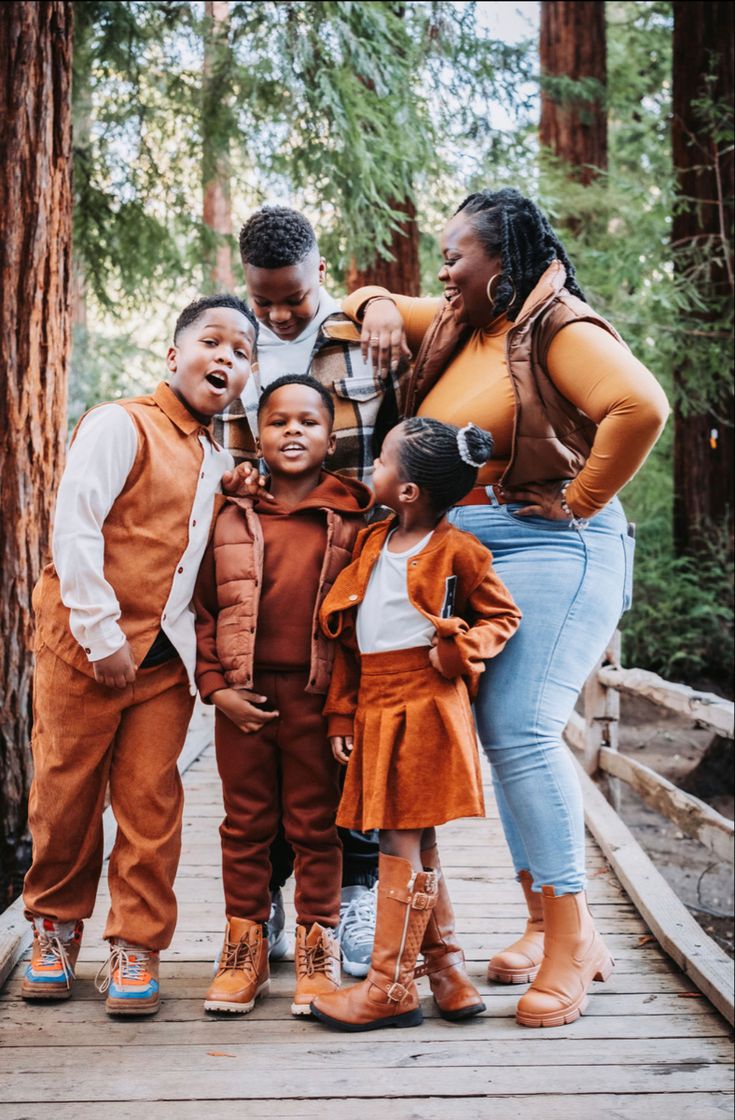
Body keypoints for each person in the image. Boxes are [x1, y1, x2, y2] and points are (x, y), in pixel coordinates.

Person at [341, 187, 669, 1028]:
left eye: (455, 256)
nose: (441, 271)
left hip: (556, 542)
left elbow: (640, 407)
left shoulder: (559, 328)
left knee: (521, 728)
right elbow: (361, 304)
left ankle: (572, 939)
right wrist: (378, 301)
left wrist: (581, 500)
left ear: (501, 262)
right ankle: (542, 919)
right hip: (480, 543)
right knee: (500, 731)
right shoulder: (467, 323)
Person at [22, 294, 257, 1016]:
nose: (225, 357)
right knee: (65, 795)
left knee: (152, 804)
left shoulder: (218, 458)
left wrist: (237, 489)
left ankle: (136, 945)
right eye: (211, 342)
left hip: (161, 667)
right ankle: (54, 930)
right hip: (82, 650)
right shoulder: (120, 424)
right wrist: (101, 637)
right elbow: (76, 528)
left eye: (241, 352)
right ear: (172, 354)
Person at [214, 205, 400, 976]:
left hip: (359, 550)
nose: (279, 312)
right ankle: (277, 910)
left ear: (321, 273)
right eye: (265, 301)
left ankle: (355, 895)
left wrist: (380, 296)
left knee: (350, 738)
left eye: (292, 297)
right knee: (272, 775)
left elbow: (405, 418)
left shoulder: (364, 329)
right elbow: (224, 439)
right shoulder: (236, 343)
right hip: (269, 548)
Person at [309, 418, 522, 1032]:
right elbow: (352, 644)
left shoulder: (460, 551)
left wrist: (461, 646)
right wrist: (342, 711)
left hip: (426, 704)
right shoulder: (373, 543)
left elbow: (502, 616)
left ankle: (388, 988)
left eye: (381, 466)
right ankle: (447, 973)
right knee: (417, 841)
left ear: (408, 492)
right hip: (376, 701)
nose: (370, 472)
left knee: (396, 838)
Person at [195, 375, 374, 1016]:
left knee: (315, 827)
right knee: (244, 825)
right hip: (242, 700)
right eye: (278, 422)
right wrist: (217, 689)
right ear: (258, 435)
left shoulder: (355, 519)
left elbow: (359, 630)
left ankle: (315, 948)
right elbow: (204, 609)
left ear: (331, 437)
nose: (292, 431)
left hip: (315, 698)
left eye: (308, 421)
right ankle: (243, 949)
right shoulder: (230, 512)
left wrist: (343, 709)